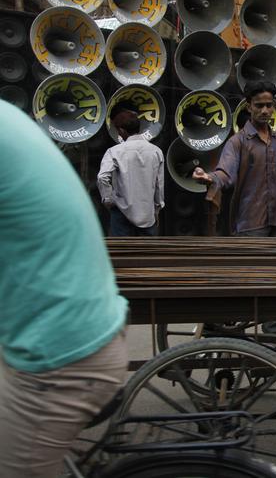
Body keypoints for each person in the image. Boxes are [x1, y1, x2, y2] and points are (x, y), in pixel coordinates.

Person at [0, 101, 129, 477]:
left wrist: (113, 203)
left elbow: (105, 186)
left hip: (60, 354)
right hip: (80, 326)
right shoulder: (9, 117)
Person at [193, 81, 276, 237]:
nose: (264, 111)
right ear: (249, 107)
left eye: (269, 105)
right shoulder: (237, 142)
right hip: (249, 224)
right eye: (259, 105)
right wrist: (210, 177)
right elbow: (225, 172)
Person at [97, 107, 165, 236]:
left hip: (121, 213)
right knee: (147, 254)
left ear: (122, 130)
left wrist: (108, 199)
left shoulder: (114, 151)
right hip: (148, 214)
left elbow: (102, 177)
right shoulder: (156, 151)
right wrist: (157, 208)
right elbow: (159, 184)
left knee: (123, 253)